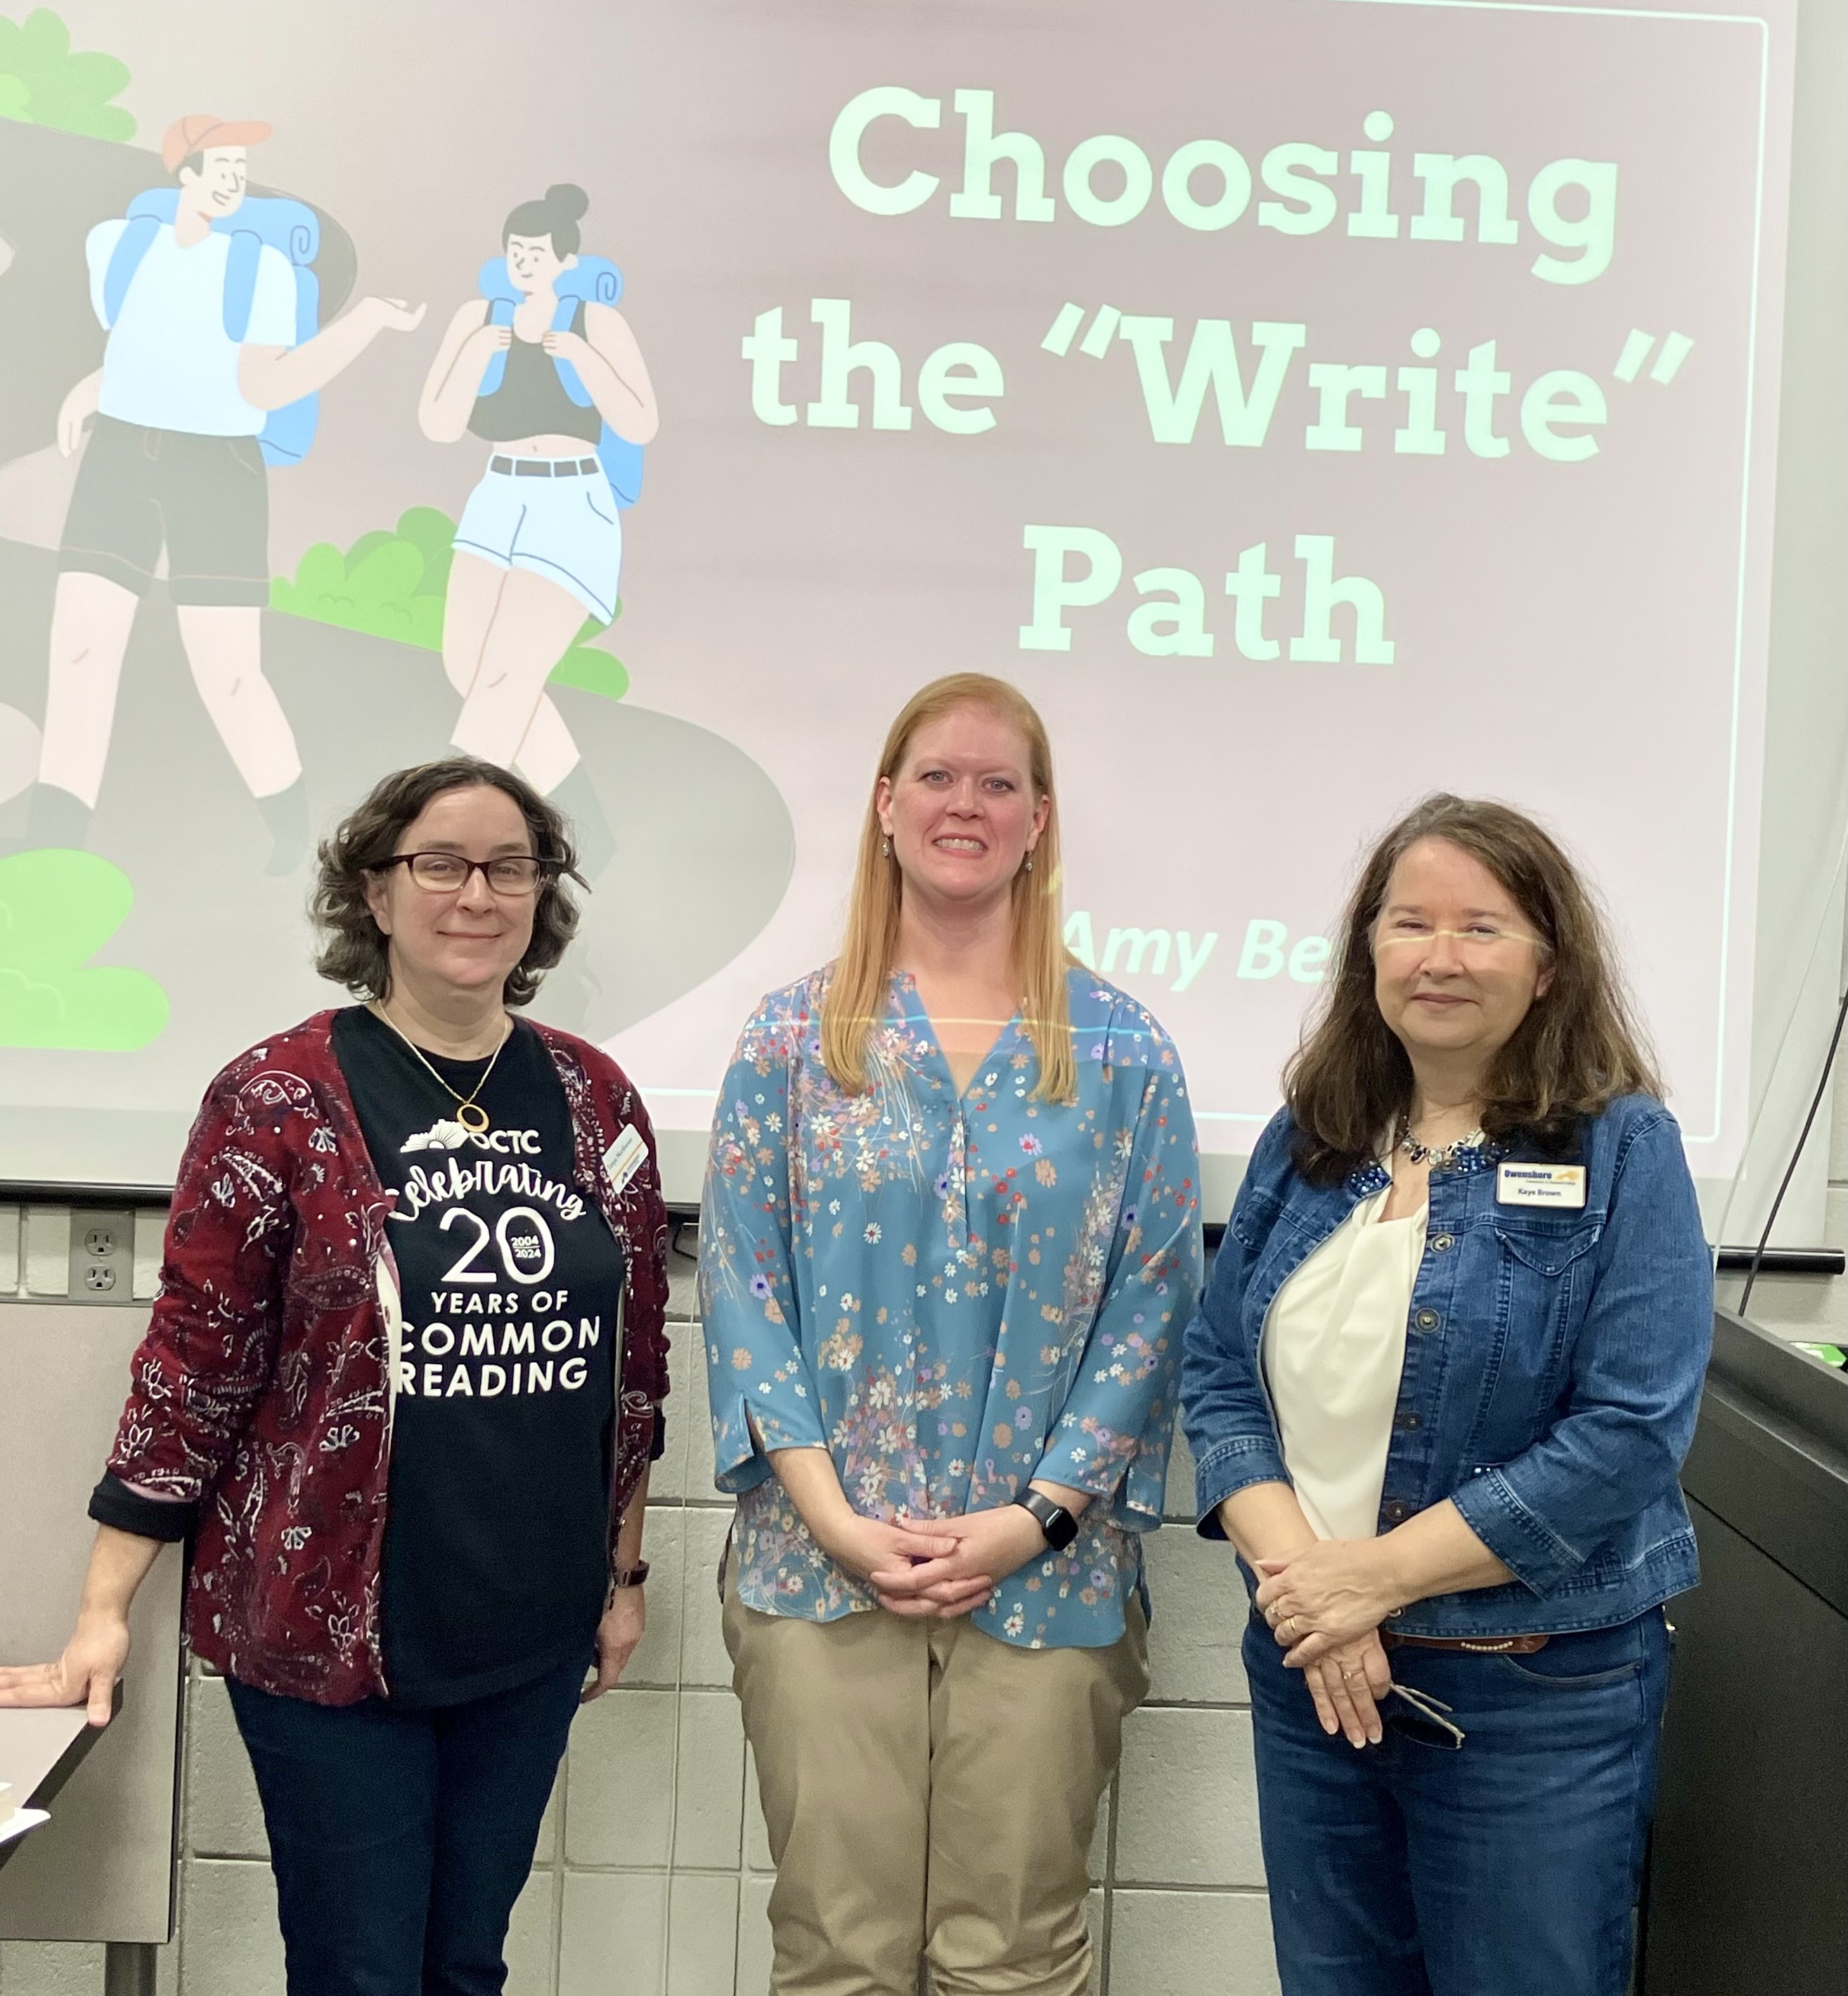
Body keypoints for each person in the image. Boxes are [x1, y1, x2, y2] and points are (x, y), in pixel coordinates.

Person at [0, 756, 671, 1996]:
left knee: (464, 1964)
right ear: (373, 890)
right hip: (329, 1633)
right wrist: (103, 1609)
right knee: (358, 1971)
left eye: (510, 867)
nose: (476, 894)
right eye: (439, 864)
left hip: (529, 1626)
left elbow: (631, 1371)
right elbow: (194, 1365)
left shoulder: (595, 1098)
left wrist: (621, 1576)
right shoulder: (277, 1097)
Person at [700, 672, 1202, 1995]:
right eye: (935, 776)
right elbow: (744, 1295)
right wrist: (835, 1519)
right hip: (820, 1570)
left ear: (1039, 819)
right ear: (883, 804)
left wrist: (1031, 1520)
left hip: (1045, 1575)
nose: (963, 804)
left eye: (997, 783)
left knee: (1015, 1958)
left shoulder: (1123, 1051)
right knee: (836, 1954)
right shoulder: (791, 1039)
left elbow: (1151, 1308)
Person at [1180, 794, 1714, 1996]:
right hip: (1312, 1673)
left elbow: (1628, 1433)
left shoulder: (1622, 1148)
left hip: (1529, 1695)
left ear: (1547, 966)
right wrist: (1314, 1597)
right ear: (1366, 949)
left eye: (1480, 927)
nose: (1439, 955)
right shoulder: (1309, 1138)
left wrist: (1372, 1579)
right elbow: (1216, 1378)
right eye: (1409, 923)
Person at [34, 115, 425, 871]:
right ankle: (54, 842)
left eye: (241, 169)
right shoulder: (117, 246)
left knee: (229, 671)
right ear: (183, 171)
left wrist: (367, 324)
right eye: (220, 166)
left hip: (218, 469)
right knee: (78, 648)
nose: (234, 180)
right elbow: (146, 341)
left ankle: (294, 837)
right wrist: (96, 385)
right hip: (120, 455)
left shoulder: (262, 270)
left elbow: (264, 387)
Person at [417, 183, 658, 878]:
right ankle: (591, 835)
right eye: (515, 252)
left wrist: (579, 356)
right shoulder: (478, 318)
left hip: (569, 500)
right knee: (469, 668)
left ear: (565, 261)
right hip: (497, 496)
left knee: (505, 676)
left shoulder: (594, 322)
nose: (524, 263)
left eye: (537, 253)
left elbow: (639, 421)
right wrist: (472, 354)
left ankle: (442, 837)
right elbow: (438, 423)